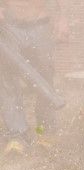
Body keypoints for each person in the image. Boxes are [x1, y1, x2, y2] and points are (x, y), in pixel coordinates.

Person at [0, 0, 67, 156]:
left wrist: (62, 18)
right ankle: (17, 135)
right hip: (8, 25)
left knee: (45, 76)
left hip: (40, 24)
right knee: (7, 79)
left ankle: (45, 131)